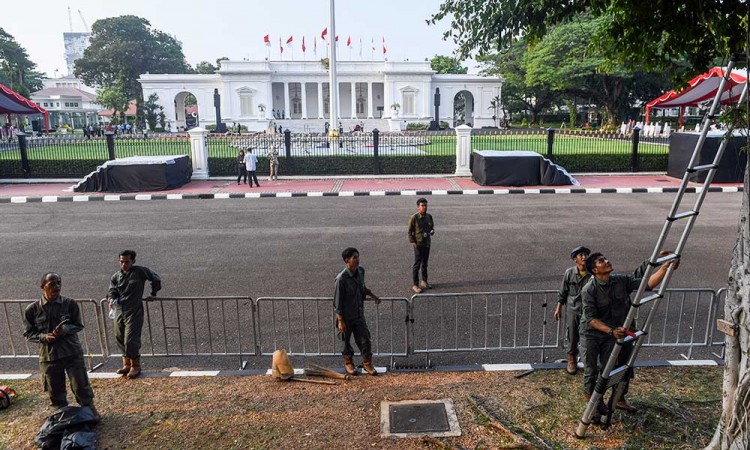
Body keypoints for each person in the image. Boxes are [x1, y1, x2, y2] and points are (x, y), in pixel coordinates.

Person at [580, 251, 677, 415]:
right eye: (601, 261)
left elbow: (648, 285)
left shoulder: (620, 280)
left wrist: (666, 267)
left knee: (615, 367)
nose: (607, 261)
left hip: (616, 331)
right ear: (595, 270)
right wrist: (611, 331)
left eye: (606, 258)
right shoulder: (589, 290)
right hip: (593, 333)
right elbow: (590, 319)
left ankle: (618, 398)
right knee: (592, 370)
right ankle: (593, 404)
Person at [23, 273, 99, 417]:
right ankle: (62, 416)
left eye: (59, 283)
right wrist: (44, 337)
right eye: (52, 283)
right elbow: (29, 333)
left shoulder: (69, 304)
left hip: (71, 352)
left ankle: (89, 409)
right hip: (49, 355)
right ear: (42, 287)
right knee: (55, 389)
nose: (57, 286)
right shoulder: (32, 309)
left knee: (81, 384)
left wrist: (64, 330)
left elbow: (78, 325)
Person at [108, 250, 161, 379]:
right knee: (119, 336)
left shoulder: (140, 271)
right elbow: (112, 290)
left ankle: (135, 365)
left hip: (134, 309)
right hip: (120, 309)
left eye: (127, 261)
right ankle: (126, 363)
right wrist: (110, 298)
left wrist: (153, 293)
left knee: (131, 339)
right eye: (121, 261)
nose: (124, 264)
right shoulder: (116, 276)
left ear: (133, 261)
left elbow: (156, 279)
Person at [335, 247, 381, 376]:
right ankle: (348, 363)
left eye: (358, 257)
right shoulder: (341, 279)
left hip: (358, 314)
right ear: (346, 260)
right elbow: (337, 302)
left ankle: (367, 363)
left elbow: (362, 287)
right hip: (345, 316)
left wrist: (373, 296)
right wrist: (340, 320)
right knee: (346, 342)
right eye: (354, 258)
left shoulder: (360, 271)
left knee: (365, 339)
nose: (357, 260)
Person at [554, 246, 591, 375]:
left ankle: (589, 363)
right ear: (575, 259)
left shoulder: (592, 273)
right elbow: (563, 292)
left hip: (588, 312)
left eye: (585, 255)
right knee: (572, 336)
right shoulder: (569, 273)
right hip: (573, 310)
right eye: (581, 255)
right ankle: (571, 360)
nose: (584, 257)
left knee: (588, 337)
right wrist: (558, 308)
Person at [407, 198, 435, 293]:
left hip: (427, 243)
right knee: (417, 264)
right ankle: (415, 285)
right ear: (418, 207)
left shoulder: (429, 217)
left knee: (425, 264)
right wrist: (413, 242)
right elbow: (410, 231)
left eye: (426, 205)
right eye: (422, 205)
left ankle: (424, 281)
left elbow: (432, 228)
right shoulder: (414, 218)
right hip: (418, 244)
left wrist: (432, 232)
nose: (424, 207)